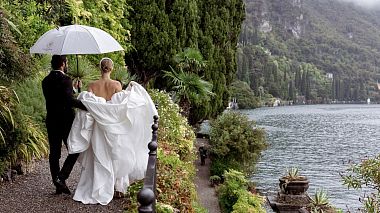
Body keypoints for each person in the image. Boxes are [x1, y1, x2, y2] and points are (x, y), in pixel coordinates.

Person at [67, 58, 157, 205]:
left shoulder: (92, 86)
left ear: (100, 68)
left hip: (98, 127)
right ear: (112, 68)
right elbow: (119, 108)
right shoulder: (116, 85)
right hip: (113, 127)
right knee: (115, 154)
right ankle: (117, 188)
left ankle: (94, 187)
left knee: (98, 156)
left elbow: (88, 107)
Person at [42, 55, 87, 195]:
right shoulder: (66, 80)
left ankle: (57, 183)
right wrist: (87, 105)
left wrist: (76, 90)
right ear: (62, 64)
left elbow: (58, 97)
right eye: (66, 62)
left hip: (51, 121)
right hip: (66, 122)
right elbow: (68, 101)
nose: (66, 65)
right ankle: (62, 177)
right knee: (75, 150)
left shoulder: (45, 80)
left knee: (54, 153)